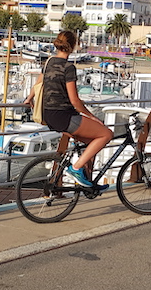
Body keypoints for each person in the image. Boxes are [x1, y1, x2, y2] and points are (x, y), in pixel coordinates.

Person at [24, 30, 113, 189]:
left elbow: (38, 84)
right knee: (106, 134)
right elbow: (75, 101)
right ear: (72, 46)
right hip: (64, 116)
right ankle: (76, 169)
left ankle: (88, 183)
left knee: (91, 143)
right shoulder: (68, 67)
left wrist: (29, 99)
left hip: (48, 114)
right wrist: (92, 117)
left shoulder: (49, 62)